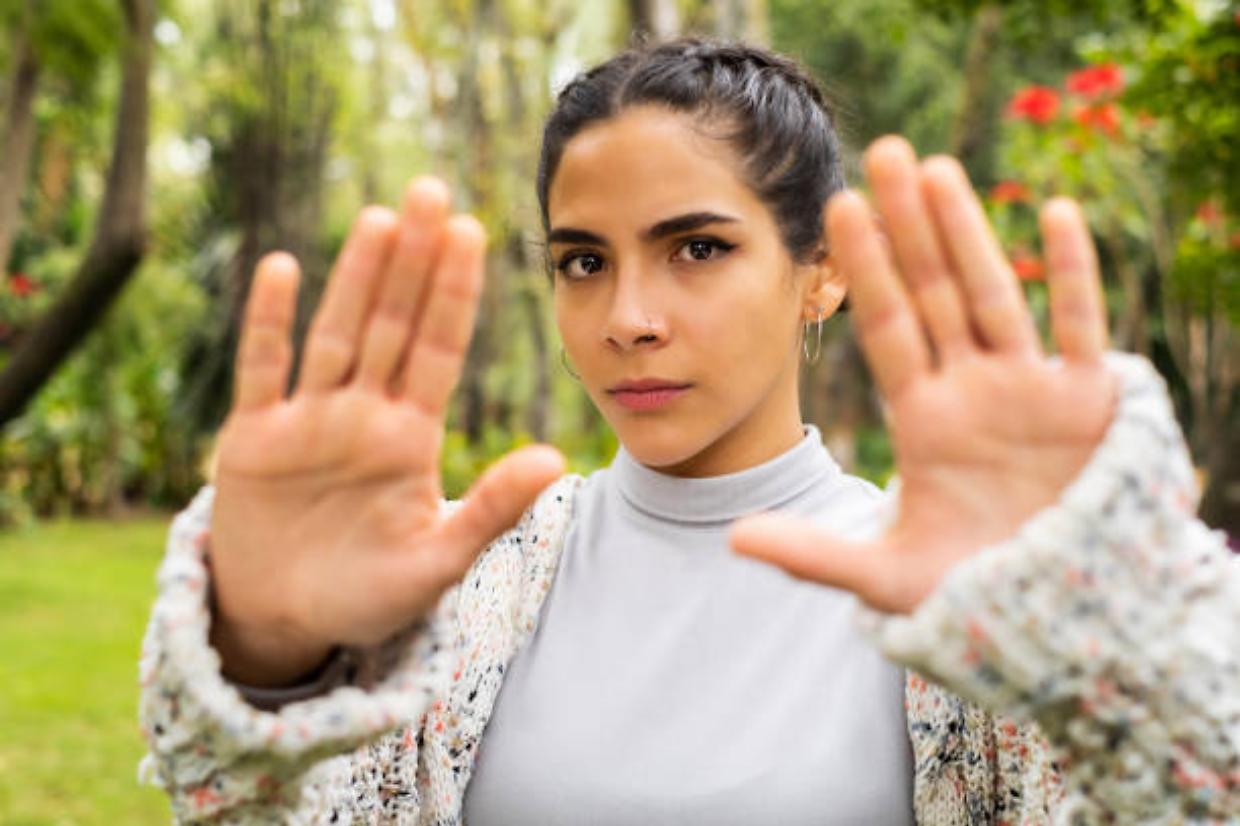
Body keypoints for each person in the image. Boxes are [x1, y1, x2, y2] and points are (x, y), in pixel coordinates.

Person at [138, 39, 1238, 824]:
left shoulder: (951, 587)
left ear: (822, 274)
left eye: (697, 248)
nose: (628, 318)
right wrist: (269, 662)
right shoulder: (479, 582)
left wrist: (1114, 632)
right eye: (584, 261)